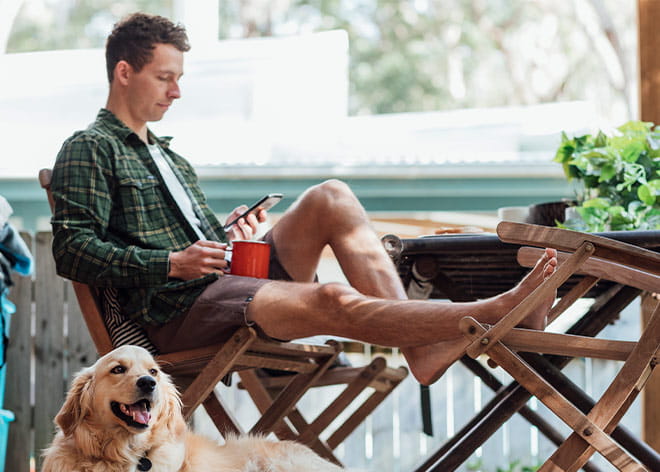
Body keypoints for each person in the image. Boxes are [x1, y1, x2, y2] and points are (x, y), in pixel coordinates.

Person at [51, 13, 557, 386]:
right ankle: (494, 310)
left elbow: (200, 248)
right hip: (177, 311)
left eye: (179, 78)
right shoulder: (90, 148)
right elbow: (71, 250)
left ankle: (421, 349)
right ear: (123, 73)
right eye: (165, 78)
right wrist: (170, 263)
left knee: (329, 197)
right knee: (332, 299)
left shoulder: (171, 159)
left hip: (224, 283)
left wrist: (227, 236)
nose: (177, 92)